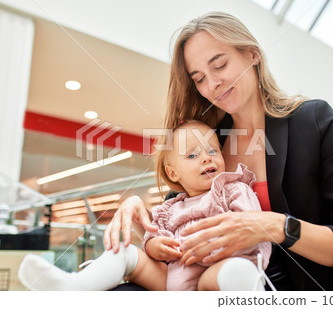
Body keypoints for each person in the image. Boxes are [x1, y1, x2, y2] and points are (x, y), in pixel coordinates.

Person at [105, 11, 333, 291]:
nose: (212, 85)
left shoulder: (313, 121)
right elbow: (177, 233)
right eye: (199, 78)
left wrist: (276, 227)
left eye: (220, 65)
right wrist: (142, 216)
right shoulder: (208, 143)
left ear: (253, 55)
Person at [18, 120, 271, 291]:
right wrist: (154, 247)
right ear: (173, 173)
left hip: (212, 278)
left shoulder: (233, 189)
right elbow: (152, 238)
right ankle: (75, 287)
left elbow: (255, 228)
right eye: (192, 155)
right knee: (126, 252)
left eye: (213, 151)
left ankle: (248, 292)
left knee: (235, 272)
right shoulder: (170, 208)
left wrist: (222, 243)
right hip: (171, 279)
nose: (206, 157)